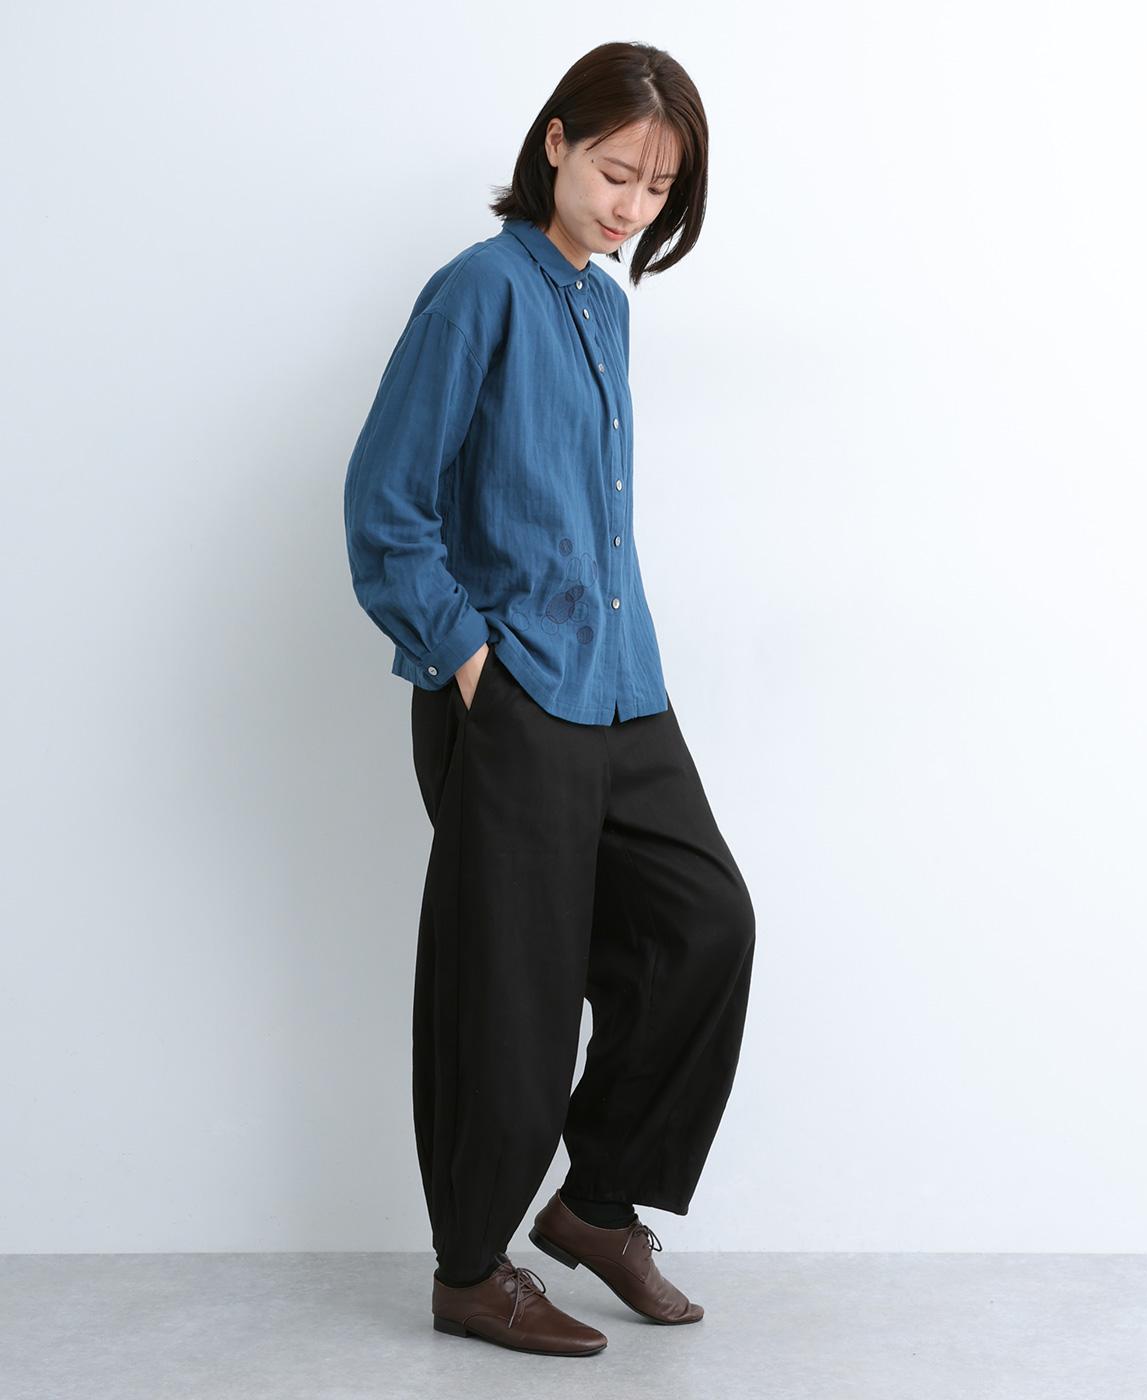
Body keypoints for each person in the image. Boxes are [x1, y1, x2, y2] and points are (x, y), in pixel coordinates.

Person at [343, 40, 755, 1357]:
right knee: (512, 993)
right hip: (513, 689)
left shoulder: (605, 307)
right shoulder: (478, 291)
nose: (634, 205)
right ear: (557, 142)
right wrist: (472, 664)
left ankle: (594, 1205)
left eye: (660, 187)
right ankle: (472, 1272)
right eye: (619, 171)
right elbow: (385, 506)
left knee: (706, 927)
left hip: (622, 685)